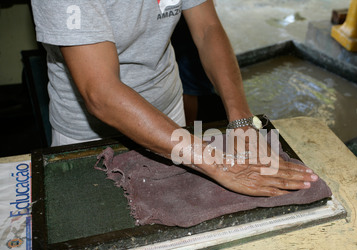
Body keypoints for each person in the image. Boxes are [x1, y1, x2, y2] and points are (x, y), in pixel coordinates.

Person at [31, 0, 318, 197]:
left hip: (170, 118)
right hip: (88, 135)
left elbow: (208, 30)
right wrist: (218, 162)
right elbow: (101, 92)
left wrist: (241, 120)